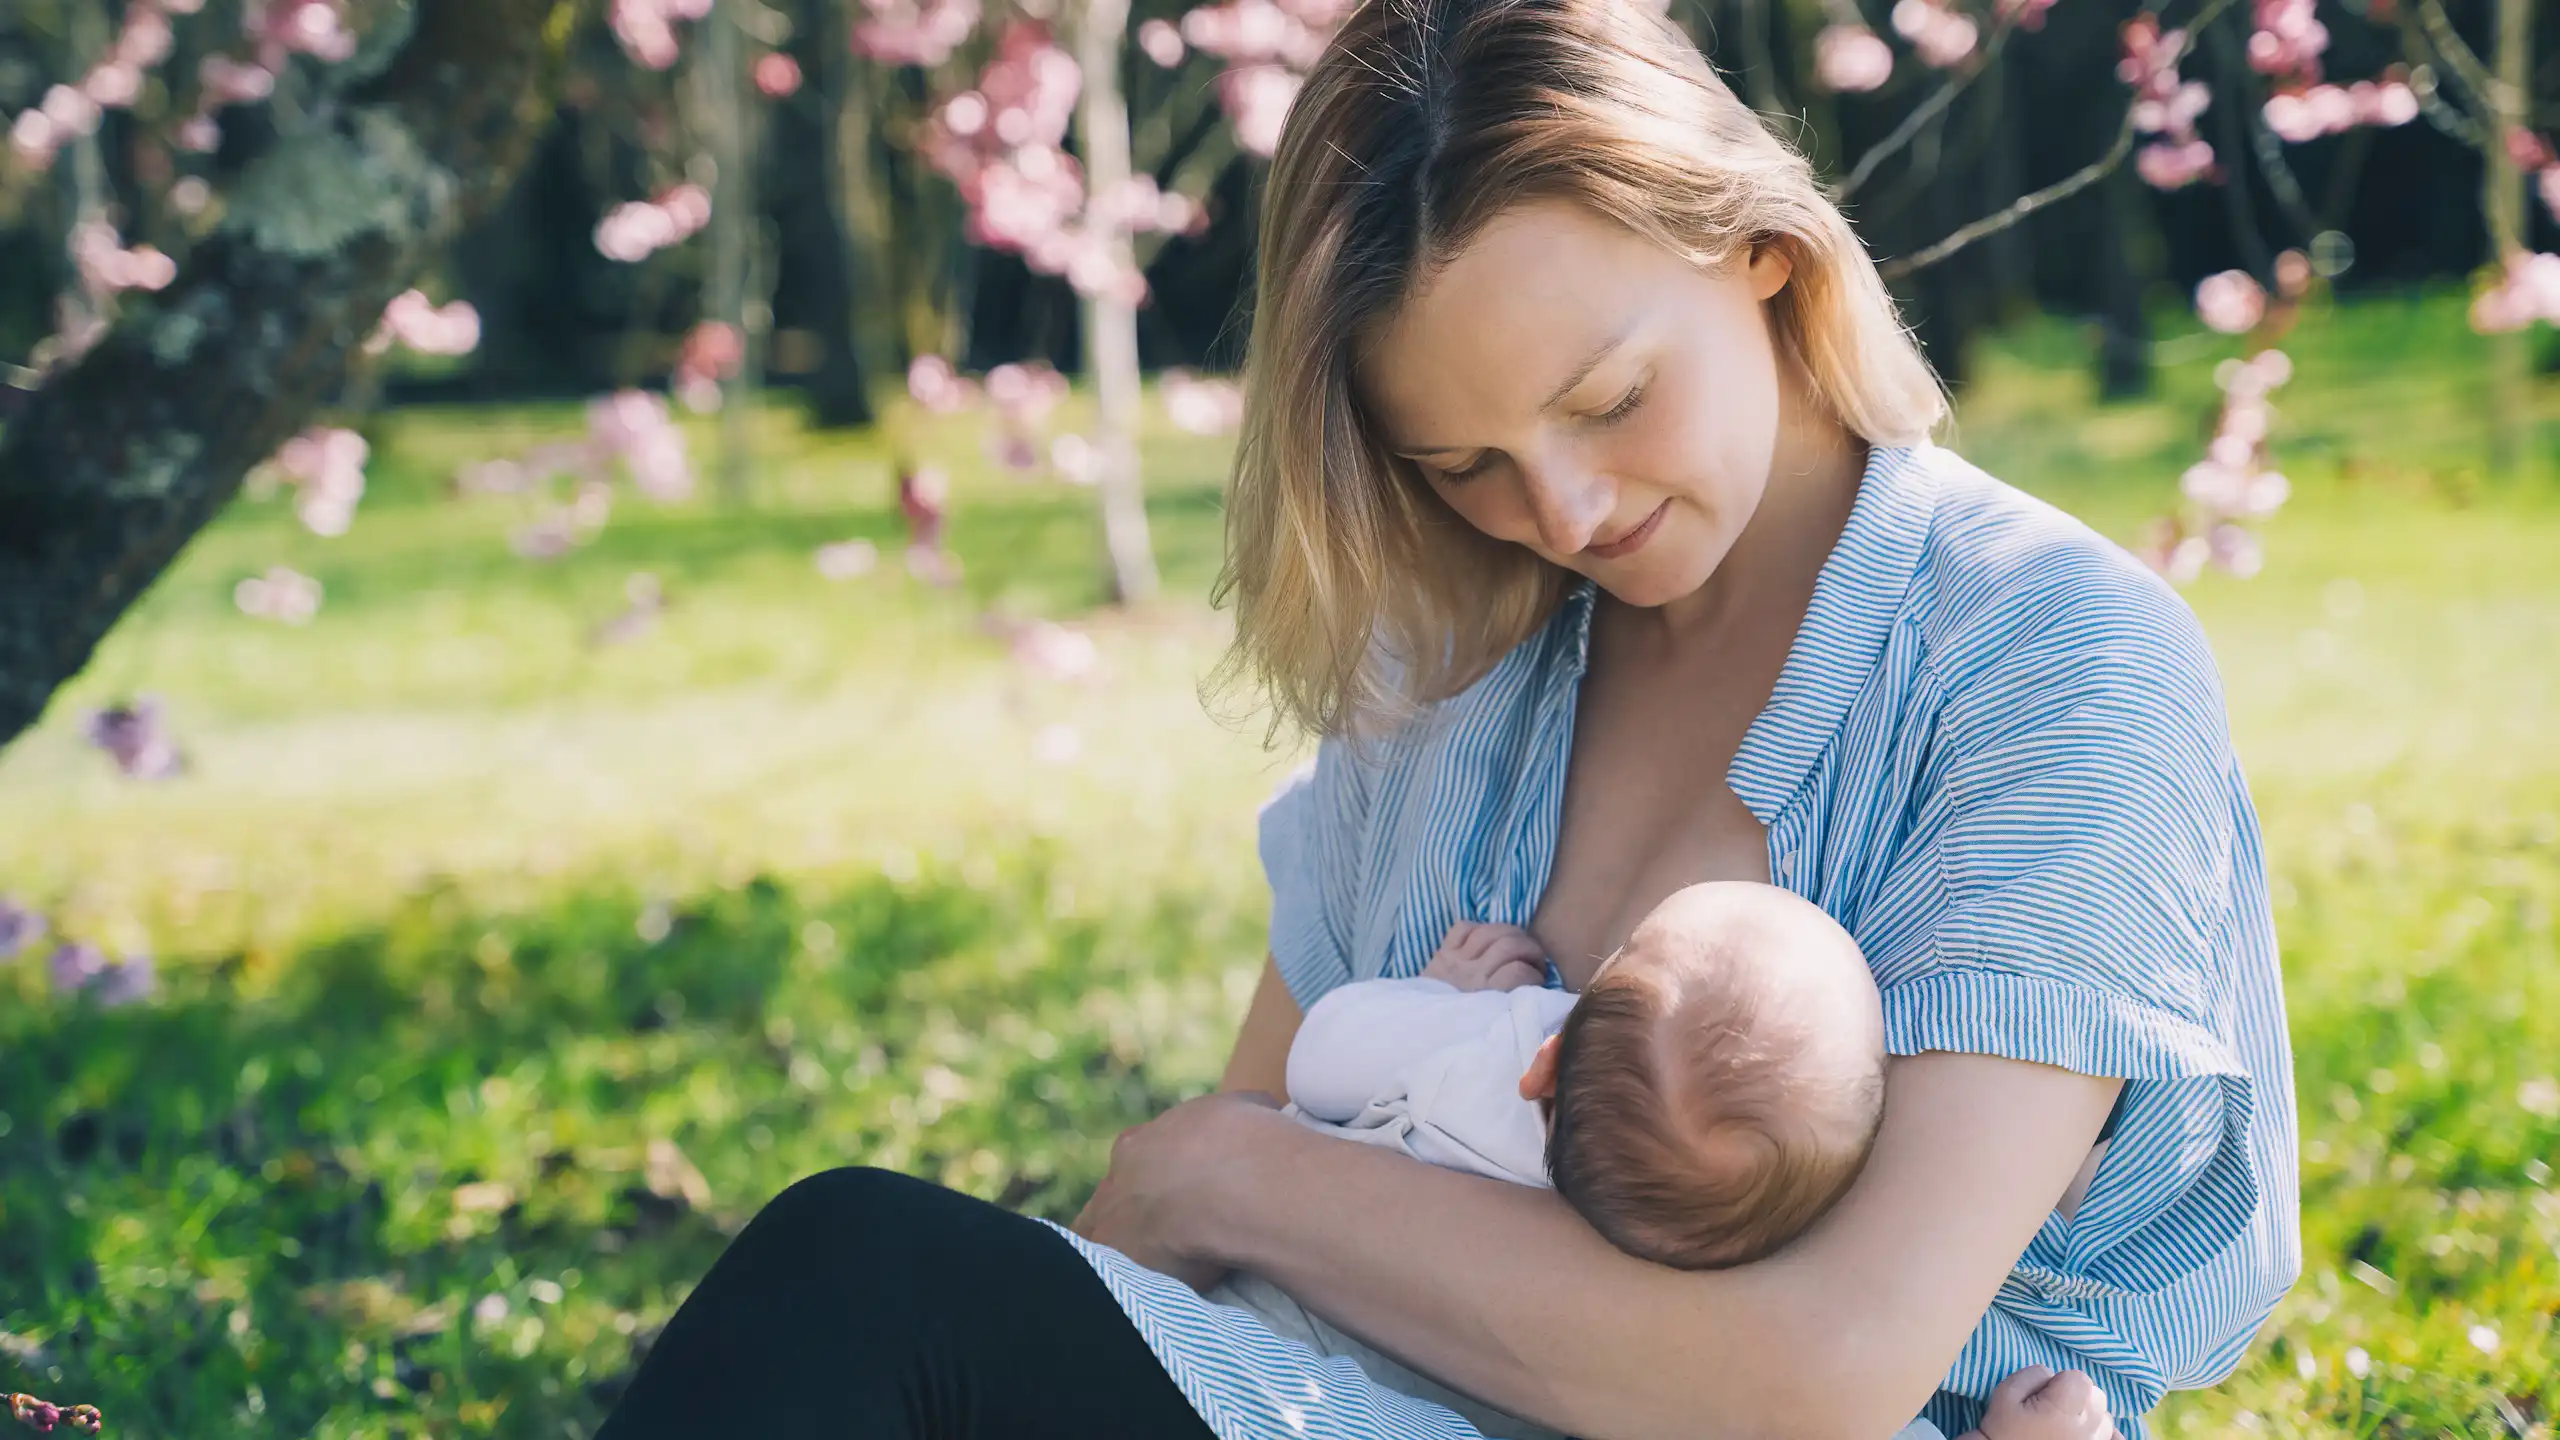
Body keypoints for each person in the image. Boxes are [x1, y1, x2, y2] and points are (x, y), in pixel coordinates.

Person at [594, 1, 2300, 1436]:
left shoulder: (2049, 659)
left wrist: (1229, 1177)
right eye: (1463, 462)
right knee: (866, 1291)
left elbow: (1825, 1369)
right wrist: (1213, 1199)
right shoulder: (1458, 658)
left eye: (1608, 401)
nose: (1559, 512)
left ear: (1766, 258)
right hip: (1341, 1399)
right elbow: (1200, 1226)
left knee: (870, 1275)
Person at [1212, 884, 2116, 1440]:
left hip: (1261, 1352)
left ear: (1550, 1063)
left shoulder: (1488, 1052)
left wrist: (1442, 996)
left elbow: (1319, 1056)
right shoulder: (1707, 1323)